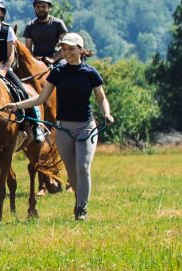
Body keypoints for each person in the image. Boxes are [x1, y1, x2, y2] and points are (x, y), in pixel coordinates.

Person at [11, 31, 112, 219]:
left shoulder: (91, 73)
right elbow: (41, 98)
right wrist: (16, 105)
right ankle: (78, 196)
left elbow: (101, 98)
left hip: (86, 127)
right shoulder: (57, 72)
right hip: (63, 128)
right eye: (64, 49)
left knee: (83, 167)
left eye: (71, 49)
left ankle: (82, 208)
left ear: (80, 50)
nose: (66, 53)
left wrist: (107, 113)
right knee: (72, 174)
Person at [0, 0, 46, 145]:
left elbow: (11, 54)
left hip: (4, 69)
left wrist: (4, 69)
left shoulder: (8, 31)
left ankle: (36, 126)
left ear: (2, 13)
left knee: (23, 92)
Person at [20, 0, 69, 65]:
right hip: (37, 59)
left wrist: (53, 59)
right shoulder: (30, 26)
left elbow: (66, 45)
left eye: (44, 6)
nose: (41, 9)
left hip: (57, 59)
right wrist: (33, 59)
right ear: (35, 9)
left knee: (64, 68)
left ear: (49, 8)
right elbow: (28, 50)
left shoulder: (58, 23)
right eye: (38, 7)